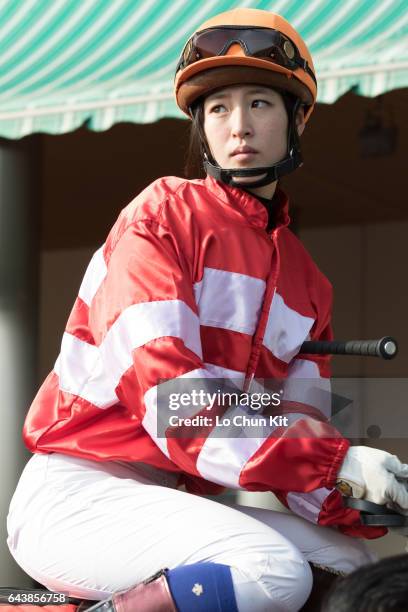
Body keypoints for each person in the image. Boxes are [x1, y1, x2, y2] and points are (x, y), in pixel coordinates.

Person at [6, 8, 408, 612]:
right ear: (201, 126)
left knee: (348, 567)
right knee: (274, 572)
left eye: (259, 104)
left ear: (299, 119)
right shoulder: (161, 215)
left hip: (173, 500)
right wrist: (338, 462)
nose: (238, 125)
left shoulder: (308, 285)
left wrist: (366, 493)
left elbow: (295, 440)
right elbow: (173, 402)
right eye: (218, 108)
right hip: (78, 493)